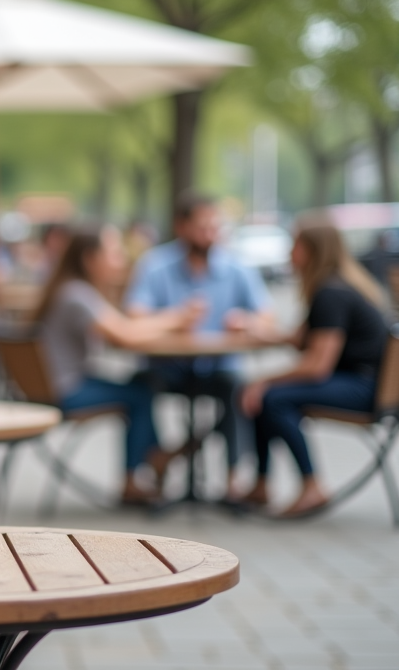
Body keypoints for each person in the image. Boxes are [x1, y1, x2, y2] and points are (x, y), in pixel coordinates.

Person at [33, 225, 200, 504]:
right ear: (89, 258)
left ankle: (151, 460)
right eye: (113, 252)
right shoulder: (77, 294)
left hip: (58, 383)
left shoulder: (73, 289)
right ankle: (137, 476)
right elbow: (126, 335)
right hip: (64, 391)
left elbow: (123, 330)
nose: (121, 258)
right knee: (140, 393)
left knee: (142, 382)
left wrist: (169, 321)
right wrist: (178, 318)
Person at [124, 192, 273, 497]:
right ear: (181, 226)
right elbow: (134, 316)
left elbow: (267, 317)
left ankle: (230, 477)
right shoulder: (155, 265)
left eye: (214, 226)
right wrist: (176, 319)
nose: (210, 234)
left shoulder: (237, 268)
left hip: (218, 366)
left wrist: (245, 321)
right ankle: (140, 474)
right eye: (202, 226)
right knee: (139, 386)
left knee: (237, 387)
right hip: (167, 366)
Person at [239, 221, 390, 518]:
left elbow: (317, 365)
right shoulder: (337, 285)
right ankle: (261, 484)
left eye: (295, 246)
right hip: (366, 382)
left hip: (365, 388)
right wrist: (259, 330)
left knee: (271, 397)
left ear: (311, 251)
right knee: (264, 394)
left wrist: (261, 379)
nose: (289, 253)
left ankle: (311, 485)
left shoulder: (330, 293)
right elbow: (302, 339)